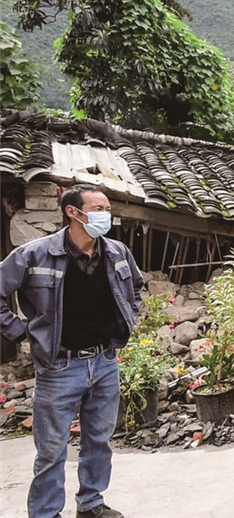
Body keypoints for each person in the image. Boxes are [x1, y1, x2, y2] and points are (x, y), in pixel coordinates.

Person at [0, 184, 144, 518]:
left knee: (99, 440)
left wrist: (126, 319)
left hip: (105, 362)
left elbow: (135, 288)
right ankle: (46, 513)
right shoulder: (34, 254)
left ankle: (91, 503)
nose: (105, 215)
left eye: (107, 209)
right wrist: (21, 331)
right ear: (72, 212)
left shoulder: (117, 252)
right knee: (51, 450)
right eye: (97, 209)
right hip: (59, 367)